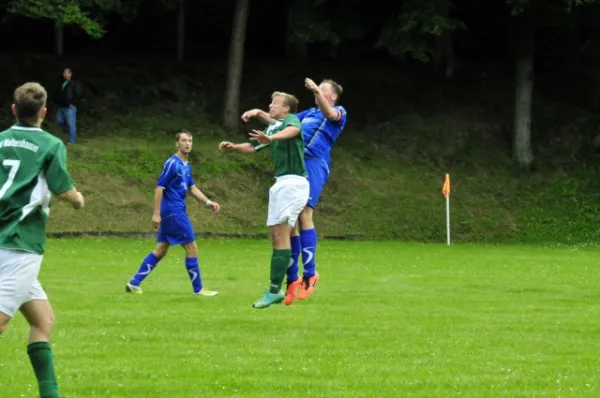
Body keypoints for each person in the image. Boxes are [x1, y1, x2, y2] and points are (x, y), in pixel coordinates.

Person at [0, 82, 85, 398]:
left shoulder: (0, 141)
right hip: (20, 243)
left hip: (3, 239)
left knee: (43, 320)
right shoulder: (51, 145)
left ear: (14, 110)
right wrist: (79, 201)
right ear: (45, 113)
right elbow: (63, 190)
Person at [241, 78, 347, 305]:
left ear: (333, 97)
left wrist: (316, 90)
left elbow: (330, 114)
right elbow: (282, 125)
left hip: (314, 163)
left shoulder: (338, 111)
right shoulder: (308, 113)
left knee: (304, 214)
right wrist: (260, 113)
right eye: (317, 89)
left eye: (323, 90)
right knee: (289, 221)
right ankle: (292, 279)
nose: (317, 92)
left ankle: (310, 273)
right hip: (295, 165)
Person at [219, 91, 309, 309]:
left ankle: (275, 289)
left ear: (286, 109)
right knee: (278, 236)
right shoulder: (274, 127)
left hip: (293, 183)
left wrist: (272, 137)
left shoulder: (290, 121)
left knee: (281, 234)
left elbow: (294, 130)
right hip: (281, 184)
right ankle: (277, 288)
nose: (271, 105)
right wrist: (234, 147)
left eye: (275, 103)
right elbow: (252, 146)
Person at [126, 130, 220, 297]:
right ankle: (198, 289)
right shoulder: (172, 163)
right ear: (177, 143)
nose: (188, 143)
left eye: (190, 140)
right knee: (192, 247)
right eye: (184, 140)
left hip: (175, 211)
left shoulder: (186, 165)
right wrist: (156, 213)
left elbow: (192, 187)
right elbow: (159, 188)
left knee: (161, 249)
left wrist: (208, 202)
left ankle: (134, 283)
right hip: (173, 211)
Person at [56, 67, 78, 145]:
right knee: (59, 120)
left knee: (71, 124)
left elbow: (77, 94)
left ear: (70, 74)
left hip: (69, 107)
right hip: (62, 106)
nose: (66, 74)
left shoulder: (73, 84)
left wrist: (72, 103)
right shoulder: (63, 83)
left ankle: (72, 141)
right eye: (64, 73)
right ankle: (68, 129)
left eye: (68, 73)